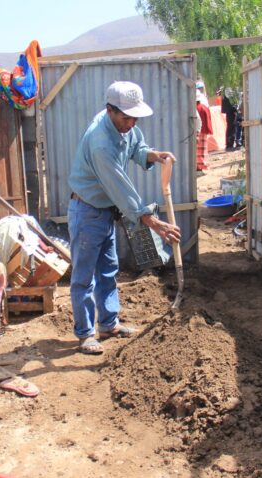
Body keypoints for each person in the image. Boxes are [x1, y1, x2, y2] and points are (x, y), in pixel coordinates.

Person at [68, 81, 182, 355]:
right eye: (126, 117)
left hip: (105, 211)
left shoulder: (124, 125)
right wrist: (153, 222)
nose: (131, 123)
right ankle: (85, 334)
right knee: (84, 276)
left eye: (135, 118)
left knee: (108, 269)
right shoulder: (100, 144)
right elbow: (120, 189)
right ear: (109, 110)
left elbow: (136, 147)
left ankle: (109, 323)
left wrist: (153, 155)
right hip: (87, 212)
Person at [196, 89, 213, 174]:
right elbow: (208, 120)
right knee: (202, 151)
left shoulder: (194, 109)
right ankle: (201, 167)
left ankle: (198, 168)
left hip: (197, 131)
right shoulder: (204, 107)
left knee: (197, 151)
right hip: (203, 131)